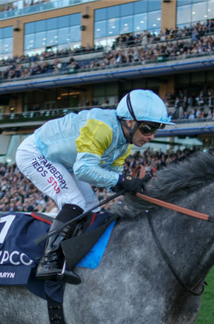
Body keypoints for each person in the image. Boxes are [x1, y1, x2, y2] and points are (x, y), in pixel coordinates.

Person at [16, 89, 173, 284]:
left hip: (67, 161)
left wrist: (132, 186)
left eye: (156, 130)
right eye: (148, 129)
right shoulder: (103, 128)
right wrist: (120, 182)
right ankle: (48, 262)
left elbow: (111, 178)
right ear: (130, 122)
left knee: (92, 205)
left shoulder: (125, 144)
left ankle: (78, 258)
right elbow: (84, 171)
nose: (151, 136)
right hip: (37, 153)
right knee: (74, 201)